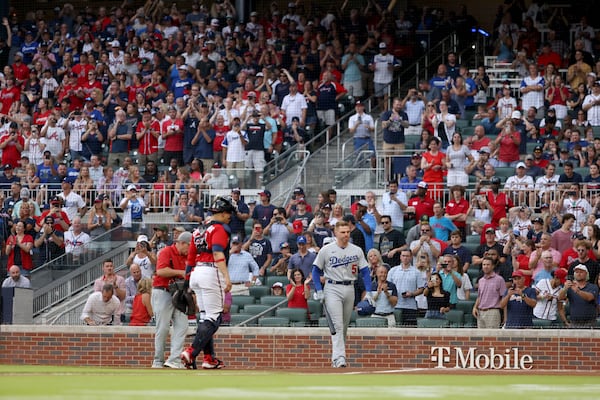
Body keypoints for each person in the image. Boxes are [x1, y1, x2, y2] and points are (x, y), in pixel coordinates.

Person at [181, 197, 235, 370]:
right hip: (211, 272)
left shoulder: (199, 230)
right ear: (221, 213)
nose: (229, 217)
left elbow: (190, 257)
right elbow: (218, 253)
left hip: (197, 271)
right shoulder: (219, 229)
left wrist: (187, 281)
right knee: (215, 317)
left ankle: (209, 358)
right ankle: (191, 351)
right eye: (228, 213)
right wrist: (226, 277)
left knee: (205, 318)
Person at [311, 220, 372, 368]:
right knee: (337, 324)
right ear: (336, 233)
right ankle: (340, 358)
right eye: (343, 232)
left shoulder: (356, 250)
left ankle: (336, 358)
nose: (346, 235)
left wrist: (369, 291)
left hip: (350, 287)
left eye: (348, 232)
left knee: (344, 326)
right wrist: (319, 289)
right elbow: (315, 270)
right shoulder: (326, 250)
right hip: (332, 287)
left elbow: (365, 271)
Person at [151, 231, 193, 369]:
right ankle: (158, 360)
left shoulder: (187, 256)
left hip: (180, 293)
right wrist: (181, 273)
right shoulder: (166, 251)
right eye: (189, 246)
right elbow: (161, 271)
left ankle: (174, 359)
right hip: (163, 291)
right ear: (181, 243)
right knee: (162, 327)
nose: (190, 250)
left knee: (182, 326)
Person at [387, 249, 424, 326]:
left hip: (410, 307)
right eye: (403, 256)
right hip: (395, 306)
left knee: (410, 330)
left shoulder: (416, 272)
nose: (405, 258)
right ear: (400, 257)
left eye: (407, 256)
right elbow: (388, 286)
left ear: (411, 257)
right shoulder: (393, 270)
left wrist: (412, 294)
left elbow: (421, 289)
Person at [473, 257, 506, 329]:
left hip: (493, 312)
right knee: (481, 337)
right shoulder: (481, 280)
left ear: (493, 266)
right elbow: (479, 296)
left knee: (492, 337)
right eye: (484, 264)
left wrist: (505, 317)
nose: (485, 266)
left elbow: (503, 298)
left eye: (488, 264)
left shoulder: (499, 279)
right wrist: (475, 307)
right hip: (480, 312)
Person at [348, 101, 376, 168]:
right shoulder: (352, 118)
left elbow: (373, 129)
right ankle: (360, 168)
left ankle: (374, 169)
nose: (358, 108)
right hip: (358, 138)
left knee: (373, 154)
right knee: (358, 155)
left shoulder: (368, 117)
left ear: (363, 107)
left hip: (367, 138)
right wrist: (356, 125)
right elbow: (351, 130)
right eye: (357, 106)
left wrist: (368, 127)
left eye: (360, 106)